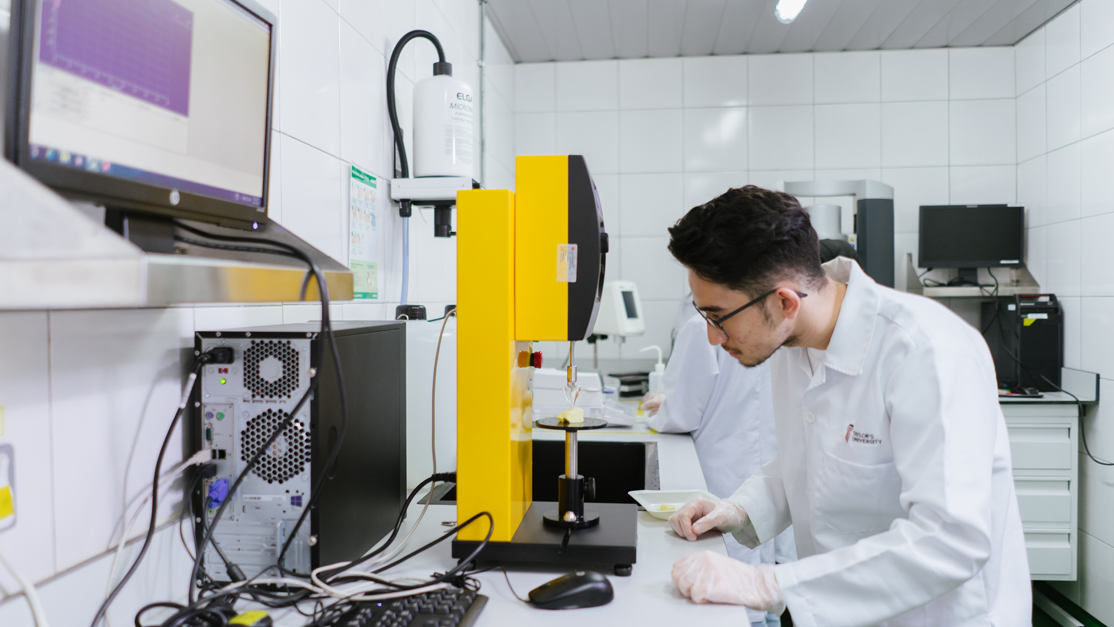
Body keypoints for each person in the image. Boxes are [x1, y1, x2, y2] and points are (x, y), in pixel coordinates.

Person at [664, 185, 1030, 626]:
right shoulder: (792, 343)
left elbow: (951, 540)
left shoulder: (925, 350)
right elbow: (808, 461)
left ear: (784, 301)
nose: (711, 337)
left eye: (717, 317)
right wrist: (738, 509)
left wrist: (767, 585)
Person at [644, 310, 787, 627]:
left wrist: (662, 409)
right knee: (757, 595)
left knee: (736, 592)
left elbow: (680, 415)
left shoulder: (701, 325)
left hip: (721, 472)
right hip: (759, 475)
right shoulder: (771, 319)